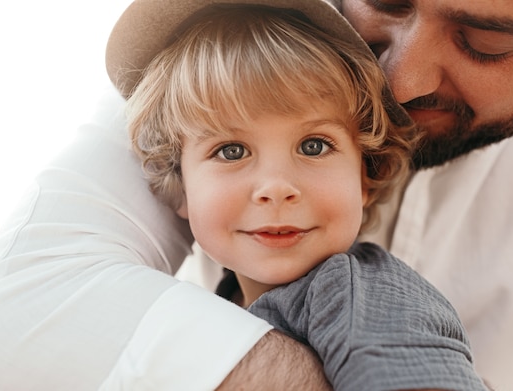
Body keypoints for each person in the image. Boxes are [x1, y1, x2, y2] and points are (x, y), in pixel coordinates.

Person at [0, 0, 513, 389]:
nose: (398, 83)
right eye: (386, 1)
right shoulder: (223, 51)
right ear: (172, 182)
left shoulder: (364, 299)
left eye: (485, 43)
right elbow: (21, 297)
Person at [120, 5, 488, 390]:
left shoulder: (360, 298)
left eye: (313, 146)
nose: (277, 187)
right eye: (231, 151)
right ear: (179, 184)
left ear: (366, 175)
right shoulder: (220, 299)